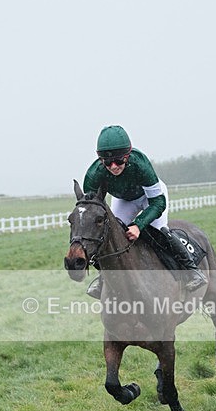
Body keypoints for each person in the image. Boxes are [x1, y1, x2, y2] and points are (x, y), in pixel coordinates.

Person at [83, 125, 207, 297]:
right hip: (124, 199)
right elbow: (91, 209)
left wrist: (138, 225)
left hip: (151, 197)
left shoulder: (140, 164)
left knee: (159, 231)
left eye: (119, 161)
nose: (113, 166)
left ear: (128, 154)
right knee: (110, 234)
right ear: (99, 159)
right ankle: (103, 278)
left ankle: (193, 271)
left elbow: (158, 203)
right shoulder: (93, 175)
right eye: (107, 162)